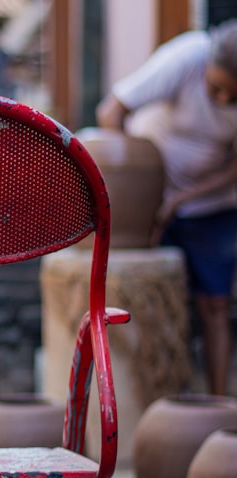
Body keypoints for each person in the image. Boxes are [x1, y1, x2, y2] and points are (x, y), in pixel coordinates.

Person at [97, 20, 237, 396]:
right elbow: (112, 111)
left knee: (214, 305)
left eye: (233, 97)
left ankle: (218, 405)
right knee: (144, 299)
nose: (223, 101)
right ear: (208, 65)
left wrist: (181, 200)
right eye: (216, 89)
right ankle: (147, 399)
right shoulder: (187, 57)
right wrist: (136, 182)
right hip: (150, 199)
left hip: (212, 204)